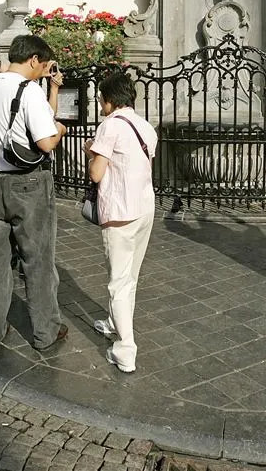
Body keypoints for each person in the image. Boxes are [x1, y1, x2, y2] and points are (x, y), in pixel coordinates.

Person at [0, 34, 68, 352]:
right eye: (43, 64)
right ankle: (45, 332)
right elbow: (44, 143)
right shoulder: (28, 91)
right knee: (38, 260)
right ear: (32, 60)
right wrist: (60, 132)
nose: (45, 69)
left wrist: (51, 89)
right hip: (28, 185)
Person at [83, 72, 158, 373]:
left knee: (118, 281)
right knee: (130, 275)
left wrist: (91, 152)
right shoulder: (145, 126)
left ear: (110, 99)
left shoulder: (110, 125)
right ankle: (115, 321)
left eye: (101, 98)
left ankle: (125, 349)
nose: (100, 103)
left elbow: (96, 174)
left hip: (120, 212)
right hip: (144, 208)